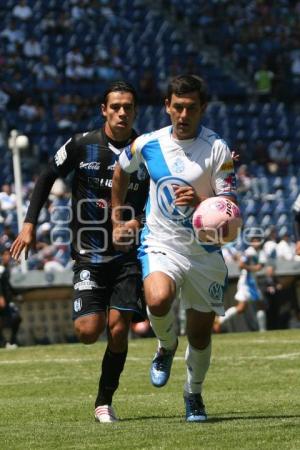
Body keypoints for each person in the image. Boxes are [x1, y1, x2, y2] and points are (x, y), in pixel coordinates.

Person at [10, 81, 149, 422]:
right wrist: (29, 223)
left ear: (135, 111)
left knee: (118, 329)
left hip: (127, 255)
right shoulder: (82, 144)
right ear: (104, 110)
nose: (121, 112)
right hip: (88, 253)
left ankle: (104, 400)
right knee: (88, 332)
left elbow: (165, 192)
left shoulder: (147, 149)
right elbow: (46, 176)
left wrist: (141, 223)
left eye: (127, 107)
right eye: (115, 106)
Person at [111, 74, 239, 422]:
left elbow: (228, 205)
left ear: (202, 109)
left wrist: (201, 199)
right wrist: (117, 217)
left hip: (204, 253)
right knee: (157, 298)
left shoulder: (217, 149)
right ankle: (166, 345)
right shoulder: (148, 144)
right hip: (161, 241)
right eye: (178, 107)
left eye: (191, 108)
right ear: (167, 106)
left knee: (199, 336)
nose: (184, 115)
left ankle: (192, 394)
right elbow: (120, 172)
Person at [215, 234, 267, 333]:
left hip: (253, 282)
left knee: (256, 306)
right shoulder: (249, 252)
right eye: (254, 241)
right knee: (243, 307)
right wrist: (253, 268)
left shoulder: (260, 252)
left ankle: (262, 330)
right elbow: (242, 265)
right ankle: (219, 321)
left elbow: (261, 265)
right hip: (246, 282)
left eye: (257, 240)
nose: (256, 243)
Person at [0, 248, 22, 349]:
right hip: (2, 300)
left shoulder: (6, 268)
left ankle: (11, 341)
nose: (8, 257)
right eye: (6, 255)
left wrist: (16, 294)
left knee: (16, 318)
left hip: (7, 301)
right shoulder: (0, 269)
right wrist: (1, 297)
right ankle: (4, 343)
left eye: (9, 255)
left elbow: (7, 285)